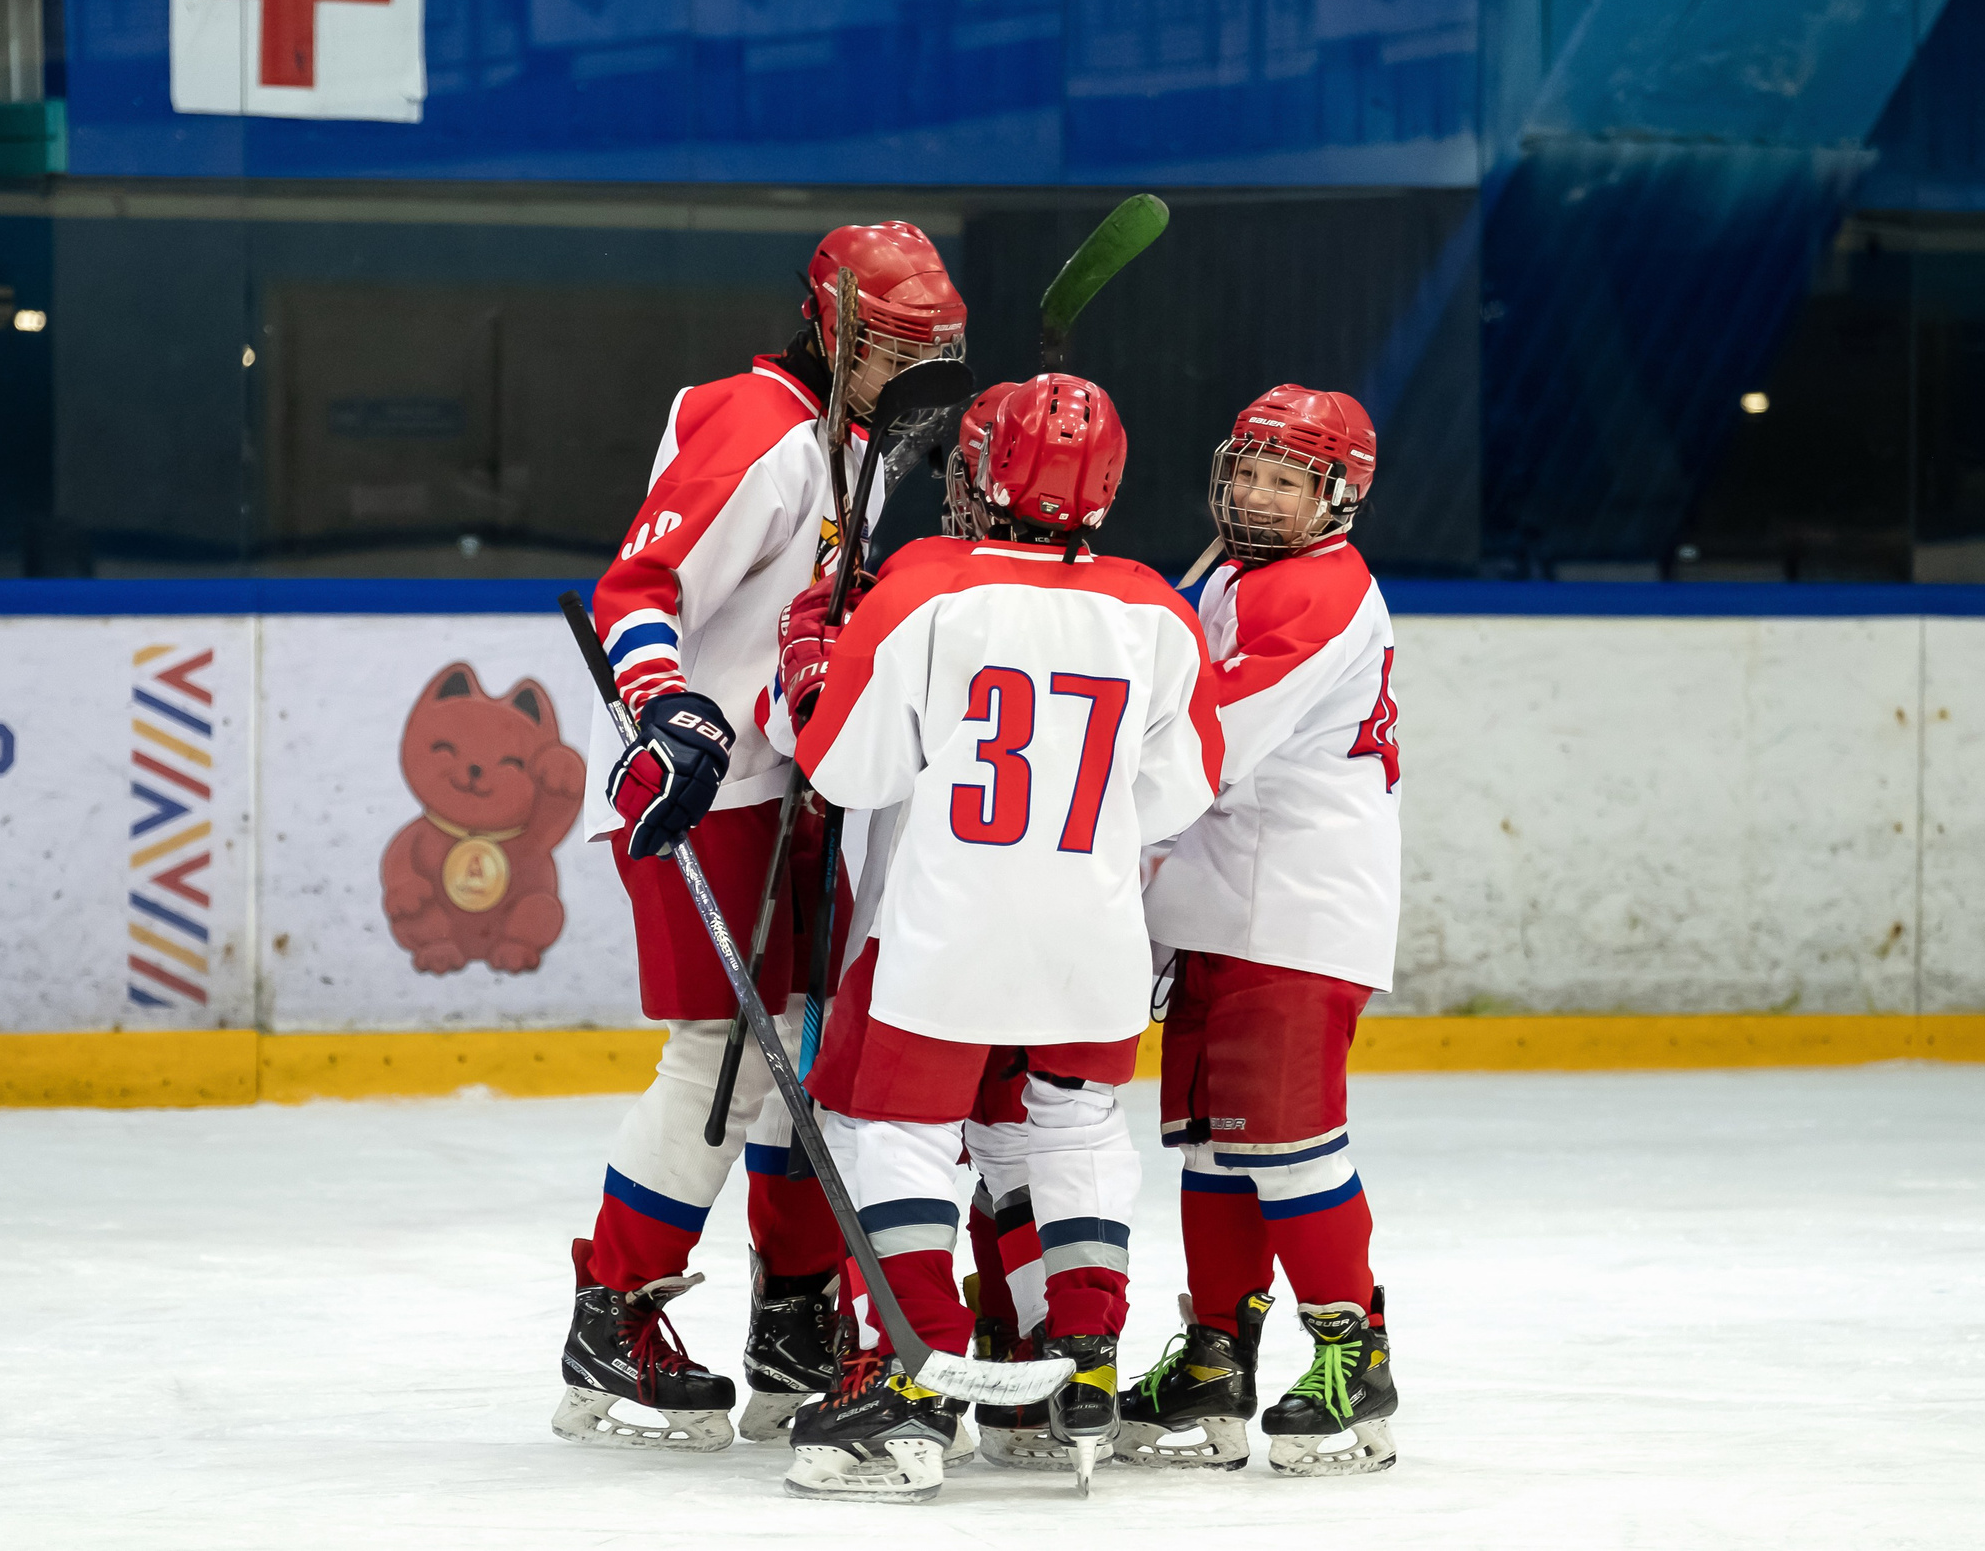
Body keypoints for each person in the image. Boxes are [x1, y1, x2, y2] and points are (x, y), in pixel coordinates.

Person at [763, 373, 1225, 1502]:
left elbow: (843, 768)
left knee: (900, 1135)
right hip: (1094, 939)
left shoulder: (922, 587)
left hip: (949, 932)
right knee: (1072, 1134)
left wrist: (813, 662)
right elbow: (1184, 790)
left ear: (979, 475)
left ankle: (911, 1396)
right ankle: (1081, 1369)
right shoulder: (1156, 609)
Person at [554, 223, 968, 1455]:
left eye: (926, 351)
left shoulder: (857, 438)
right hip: (703, 785)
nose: (911, 372)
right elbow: (638, 588)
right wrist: (671, 715)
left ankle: (791, 1320)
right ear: (830, 329)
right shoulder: (763, 427)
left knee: (806, 1049)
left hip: (784, 778)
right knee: (716, 1061)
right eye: (889, 347)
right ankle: (610, 1316)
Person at [1116, 384, 1403, 1477]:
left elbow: (1202, 749)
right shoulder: (1241, 573)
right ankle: (1214, 1358)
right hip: (1221, 901)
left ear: (1338, 497)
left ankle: (1352, 1353)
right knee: (1214, 1151)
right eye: (1247, 470)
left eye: (1286, 479)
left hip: (1294, 910)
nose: (1254, 493)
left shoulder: (1316, 593)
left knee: (1286, 1145)